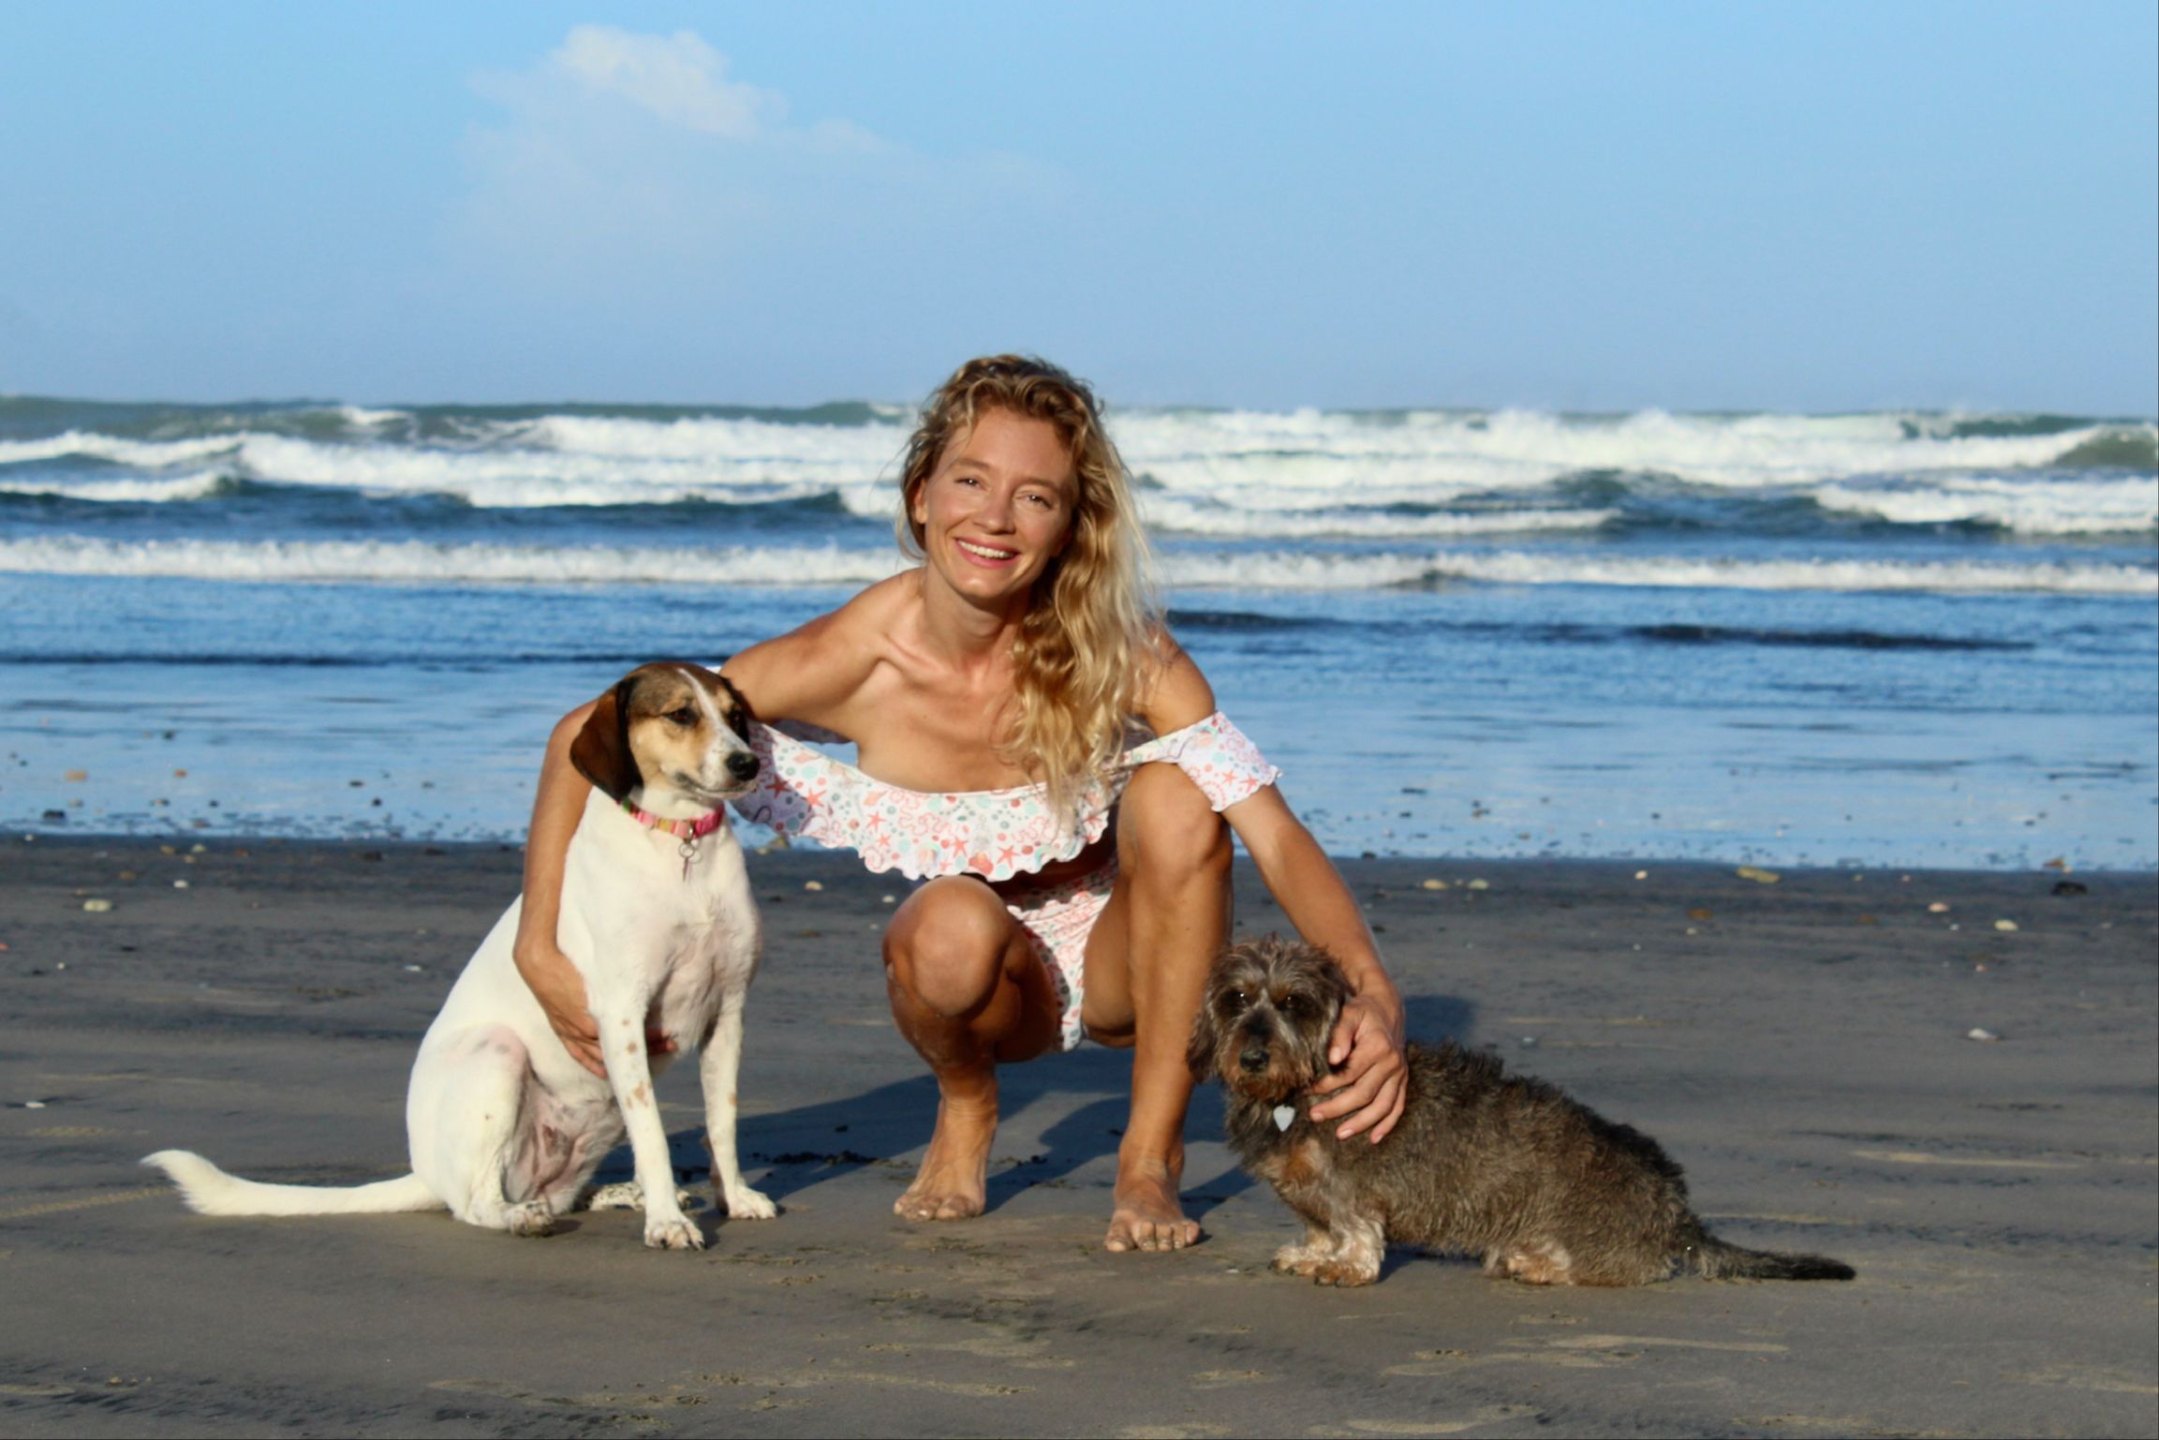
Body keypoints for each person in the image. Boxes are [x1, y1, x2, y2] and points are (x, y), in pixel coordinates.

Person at [512, 355, 1406, 1253]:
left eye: (1035, 496)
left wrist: (1374, 994)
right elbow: (582, 733)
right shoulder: (853, 656)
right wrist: (536, 945)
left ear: (1068, 527)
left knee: (1179, 794)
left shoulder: (1125, 655)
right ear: (920, 498)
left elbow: (1273, 835)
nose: (995, 517)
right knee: (945, 922)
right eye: (970, 481)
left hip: (1130, 962)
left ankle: (1149, 1155)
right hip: (981, 985)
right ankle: (967, 1100)